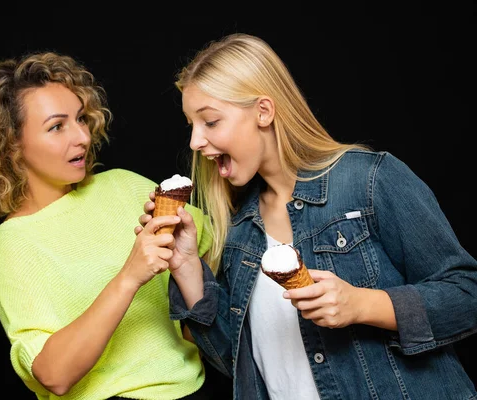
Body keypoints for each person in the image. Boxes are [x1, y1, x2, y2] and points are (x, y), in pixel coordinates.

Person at [137, 33, 477, 399]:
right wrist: (186, 264)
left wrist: (362, 304)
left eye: (211, 122)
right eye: (191, 125)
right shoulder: (238, 232)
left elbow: (467, 295)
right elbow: (236, 365)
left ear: (263, 112)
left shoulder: (368, 181)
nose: (195, 142)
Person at [0, 51, 216, 400]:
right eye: (57, 126)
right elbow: (54, 376)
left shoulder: (125, 185)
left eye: (81, 119)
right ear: (11, 145)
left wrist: (189, 273)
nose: (83, 138)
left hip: (198, 389)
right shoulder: (11, 243)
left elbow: (212, 274)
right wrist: (129, 276)